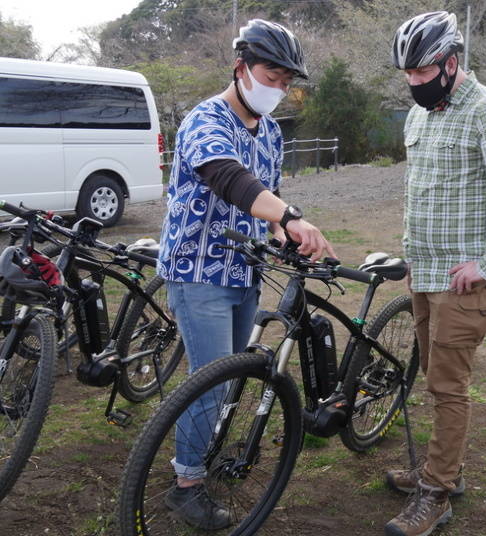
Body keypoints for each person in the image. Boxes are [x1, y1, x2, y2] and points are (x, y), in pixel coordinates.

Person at [156, 19, 335, 530]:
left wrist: (286, 235)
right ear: (240, 68)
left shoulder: (272, 131)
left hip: (244, 270)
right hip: (197, 271)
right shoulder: (204, 120)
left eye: (286, 81)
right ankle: (187, 484)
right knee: (210, 380)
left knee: (233, 374)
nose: (278, 88)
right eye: (270, 75)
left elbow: (263, 200)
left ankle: (204, 453)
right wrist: (291, 216)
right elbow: (230, 179)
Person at [384, 11, 486, 536]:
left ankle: (437, 494)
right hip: (426, 275)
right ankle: (442, 468)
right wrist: (413, 259)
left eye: (423, 73)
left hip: (467, 281)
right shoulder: (419, 115)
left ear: (451, 63)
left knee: (448, 386)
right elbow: (422, 192)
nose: (414, 83)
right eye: (408, 74)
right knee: (434, 376)